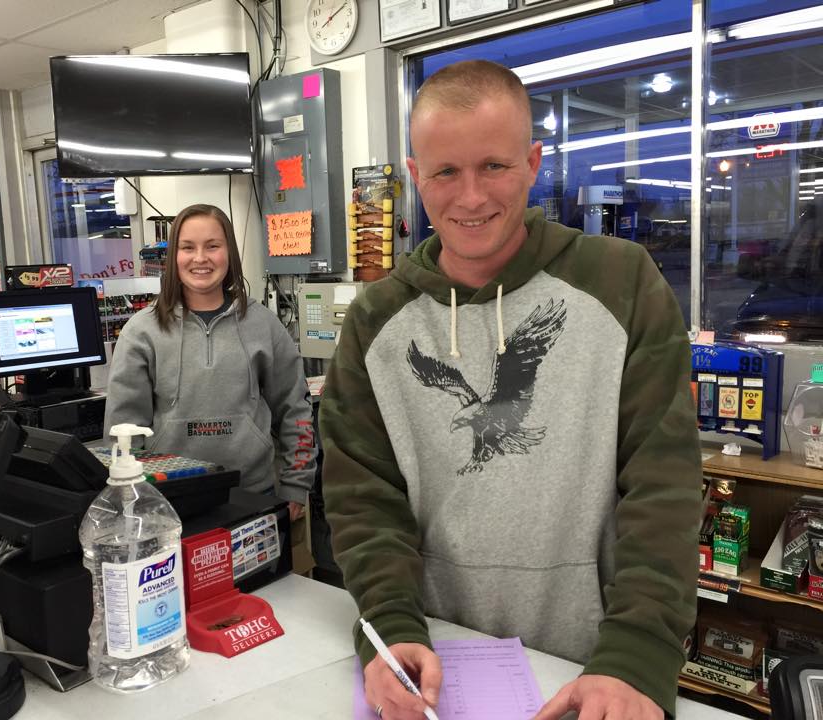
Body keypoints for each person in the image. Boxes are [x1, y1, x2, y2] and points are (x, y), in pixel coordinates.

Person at [320, 60, 701, 720]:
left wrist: (638, 654)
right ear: (415, 176)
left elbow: (663, 484)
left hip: (592, 668)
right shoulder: (374, 319)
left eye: (493, 166)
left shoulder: (622, 282)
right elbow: (362, 499)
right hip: (436, 667)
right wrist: (389, 627)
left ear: (532, 163)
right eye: (445, 172)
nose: (470, 197)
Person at [104, 203, 316, 520]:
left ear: (229, 253)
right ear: (173, 256)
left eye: (213, 246)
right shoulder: (141, 331)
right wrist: (128, 498)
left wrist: (296, 484)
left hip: (253, 494)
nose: (200, 258)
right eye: (188, 247)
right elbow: (124, 428)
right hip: (166, 502)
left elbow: (295, 409)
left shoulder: (263, 325)